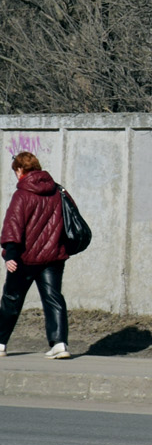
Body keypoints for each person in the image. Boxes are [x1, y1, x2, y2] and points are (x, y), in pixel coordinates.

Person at [0, 152, 72, 359]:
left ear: (20, 170)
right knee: (53, 299)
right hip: (53, 257)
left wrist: (10, 254)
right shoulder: (56, 191)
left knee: (11, 299)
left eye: (15, 170)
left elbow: (13, 225)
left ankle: (1, 343)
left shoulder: (22, 194)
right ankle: (59, 344)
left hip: (25, 258)